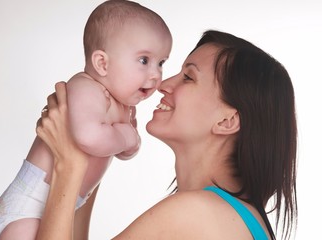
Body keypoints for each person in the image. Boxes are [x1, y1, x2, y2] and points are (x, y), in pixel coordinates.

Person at [35, 30, 298, 240]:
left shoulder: (196, 213)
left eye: (188, 77)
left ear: (227, 120)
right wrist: (93, 153)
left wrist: (68, 166)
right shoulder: (234, 215)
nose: (162, 84)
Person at [0, 0, 172, 239]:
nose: (156, 74)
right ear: (102, 63)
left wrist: (129, 143)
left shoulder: (122, 105)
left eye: (161, 62)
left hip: (59, 208)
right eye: (144, 60)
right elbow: (88, 137)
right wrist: (127, 137)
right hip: (26, 208)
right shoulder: (86, 88)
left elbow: (121, 151)